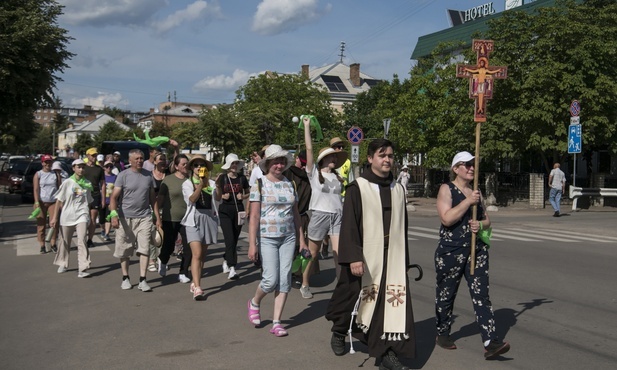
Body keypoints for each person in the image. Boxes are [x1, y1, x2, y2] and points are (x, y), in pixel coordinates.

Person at [325, 138, 416, 369]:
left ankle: (386, 352)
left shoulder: (398, 189)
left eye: (390, 156)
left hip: (391, 257)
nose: (387, 159)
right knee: (351, 297)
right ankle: (339, 331)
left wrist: (403, 259)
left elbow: (401, 229)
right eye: (382, 155)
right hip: (363, 254)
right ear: (370, 158)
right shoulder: (358, 187)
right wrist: (354, 256)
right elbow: (349, 225)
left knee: (387, 304)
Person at [433, 151, 510, 359]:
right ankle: (442, 332)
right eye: (466, 164)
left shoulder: (477, 192)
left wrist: (479, 223)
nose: (471, 168)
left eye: (473, 164)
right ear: (455, 168)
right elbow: (446, 219)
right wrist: (468, 202)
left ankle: (491, 341)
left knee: (481, 295)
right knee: (446, 294)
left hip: (476, 251)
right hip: (452, 250)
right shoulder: (446, 189)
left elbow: (487, 221)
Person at [247, 144, 307, 337]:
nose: (279, 166)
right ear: (268, 164)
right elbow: (254, 217)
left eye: (282, 162)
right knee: (270, 279)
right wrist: (252, 244)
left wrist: (302, 240)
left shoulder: (290, 184)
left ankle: (277, 322)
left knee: (284, 280)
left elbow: (296, 214)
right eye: (276, 162)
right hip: (267, 237)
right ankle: (255, 302)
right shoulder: (260, 183)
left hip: (289, 236)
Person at [302, 116, 347, 297]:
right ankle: (305, 283)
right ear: (323, 160)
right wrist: (307, 127)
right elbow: (309, 149)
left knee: (338, 253)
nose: (334, 158)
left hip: (337, 216)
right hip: (319, 215)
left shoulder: (337, 177)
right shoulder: (313, 173)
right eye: (331, 156)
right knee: (313, 254)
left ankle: (341, 287)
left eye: (335, 156)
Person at [109, 149, 160, 292]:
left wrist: (157, 217)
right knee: (125, 249)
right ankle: (125, 278)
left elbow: (152, 198)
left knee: (144, 248)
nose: (139, 161)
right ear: (130, 161)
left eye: (141, 158)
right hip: (125, 217)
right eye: (136, 158)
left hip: (144, 217)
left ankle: (143, 280)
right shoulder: (123, 175)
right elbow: (114, 197)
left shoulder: (148, 176)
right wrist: (113, 215)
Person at [180, 154, 218, 300]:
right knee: (196, 254)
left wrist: (217, 186)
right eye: (196, 165)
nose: (199, 168)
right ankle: (197, 287)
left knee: (202, 255)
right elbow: (192, 199)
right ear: (192, 168)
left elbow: (218, 197)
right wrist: (200, 186)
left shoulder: (211, 183)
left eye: (202, 165)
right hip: (193, 220)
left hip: (208, 218)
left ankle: (196, 282)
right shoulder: (187, 183)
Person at [50, 159, 93, 278]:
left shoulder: (87, 184)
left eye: (83, 167)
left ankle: (83, 268)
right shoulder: (67, 183)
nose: (81, 169)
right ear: (73, 168)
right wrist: (54, 218)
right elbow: (59, 200)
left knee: (82, 240)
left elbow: (88, 201)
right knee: (65, 241)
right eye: (78, 167)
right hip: (67, 215)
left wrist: (88, 216)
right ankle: (63, 263)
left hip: (82, 215)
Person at [156, 154, 192, 283]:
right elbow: (160, 199)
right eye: (183, 164)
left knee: (188, 247)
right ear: (176, 166)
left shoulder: (191, 179)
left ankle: (183, 272)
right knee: (169, 246)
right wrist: (156, 216)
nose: (186, 166)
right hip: (170, 218)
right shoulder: (168, 180)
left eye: (187, 163)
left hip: (187, 219)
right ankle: (163, 260)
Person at [215, 153, 249, 280]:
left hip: (238, 210)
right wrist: (222, 195)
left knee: (234, 238)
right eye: (232, 163)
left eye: (236, 163)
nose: (234, 166)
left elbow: (249, 192)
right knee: (229, 238)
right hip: (225, 210)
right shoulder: (222, 178)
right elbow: (217, 196)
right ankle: (232, 267)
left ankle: (226, 258)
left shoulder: (242, 178)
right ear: (228, 165)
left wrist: (243, 197)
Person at [283, 150, 312, 290]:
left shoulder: (304, 175)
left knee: (296, 246)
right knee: (292, 246)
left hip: (296, 214)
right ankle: (293, 274)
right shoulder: (305, 174)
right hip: (294, 214)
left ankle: (294, 274)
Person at [33, 154, 61, 254]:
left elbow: (59, 188)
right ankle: (42, 245)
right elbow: (36, 189)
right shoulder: (38, 174)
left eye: (49, 162)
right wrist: (36, 202)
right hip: (41, 202)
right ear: (42, 163)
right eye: (46, 162)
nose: (47, 164)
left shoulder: (55, 174)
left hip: (53, 202)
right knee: (41, 224)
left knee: (54, 223)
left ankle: (53, 243)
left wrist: (60, 201)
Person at [147, 152, 168, 272]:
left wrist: (176, 147)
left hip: (166, 208)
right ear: (154, 162)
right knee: (151, 234)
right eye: (160, 159)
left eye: (164, 159)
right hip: (152, 208)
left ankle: (161, 258)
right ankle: (152, 260)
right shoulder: (149, 176)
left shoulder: (168, 175)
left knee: (163, 235)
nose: (163, 161)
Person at [83, 147, 106, 249]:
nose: (94, 157)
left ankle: (90, 239)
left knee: (93, 218)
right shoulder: (82, 168)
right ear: (87, 156)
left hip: (95, 195)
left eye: (95, 155)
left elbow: (103, 184)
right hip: (83, 195)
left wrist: (103, 199)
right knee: (84, 218)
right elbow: (75, 182)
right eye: (92, 155)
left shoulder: (99, 169)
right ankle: (82, 238)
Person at [100, 160, 117, 242]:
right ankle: (103, 229)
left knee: (108, 218)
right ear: (104, 168)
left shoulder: (115, 177)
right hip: (101, 200)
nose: (109, 168)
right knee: (101, 220)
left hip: (110, 201)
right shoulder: (101, 177)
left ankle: (107, 233)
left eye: (111, 166)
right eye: (107, 166)